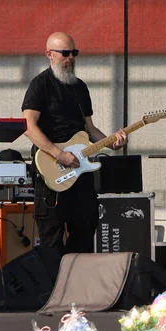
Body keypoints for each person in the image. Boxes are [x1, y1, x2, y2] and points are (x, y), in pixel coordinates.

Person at [22, 32, 127, 254]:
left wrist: (112, 143)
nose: (71, 58)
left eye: (74, 53)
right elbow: (29, 128)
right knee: (52, 236)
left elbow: (89, 129)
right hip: (51, 169)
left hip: (79, 169)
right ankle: (54, 276)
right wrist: (60, 155)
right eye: (65, 53)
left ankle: (77, 273)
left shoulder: (80, 87)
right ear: (49, 54)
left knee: (85, 227)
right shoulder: (39, 85)